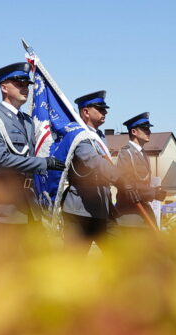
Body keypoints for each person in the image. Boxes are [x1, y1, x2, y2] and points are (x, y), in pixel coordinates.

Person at [0, 62, 64, 236]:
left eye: (26, 84)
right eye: (19, 83)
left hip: (28, 206)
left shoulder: (27, 121)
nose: (25, 88)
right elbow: (1, 160)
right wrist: (43, 163)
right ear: (4, 87)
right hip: (2, 210)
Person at [61, 91, 123, 251]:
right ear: (86, 111)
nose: (105, 112)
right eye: (100, 109)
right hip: (80, 211)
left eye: (105, 109)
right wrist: (121, 178)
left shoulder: (100, 137)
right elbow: (94, 162)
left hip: (103, 209)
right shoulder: (78, 135)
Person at [114, 112, 166, 230]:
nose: (149, 132)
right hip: (130, 218)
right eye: (145, 129)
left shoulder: (143, 154)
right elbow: (126, 186)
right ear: (134, 132)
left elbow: (143, 183)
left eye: (149, 129)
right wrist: (153, 194)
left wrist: (154, 191)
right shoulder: (126, 153)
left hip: (144, 214)